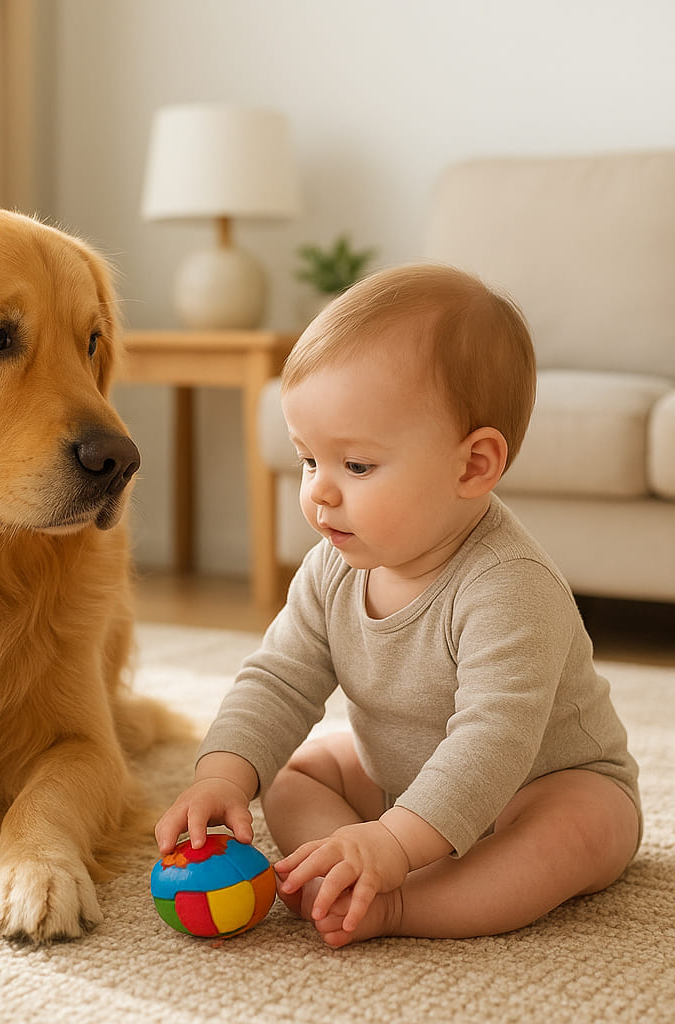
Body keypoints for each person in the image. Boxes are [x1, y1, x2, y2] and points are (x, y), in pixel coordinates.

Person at [155, 264, 641, 948]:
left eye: (355, 466)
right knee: (297, 773)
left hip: (533, 787)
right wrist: (221, 775)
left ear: (473, 466)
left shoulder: (509, 585)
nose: (321, 493)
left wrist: (394, 840)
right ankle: (343, 870)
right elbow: (278, 678)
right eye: (307, 460)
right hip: (399, 779)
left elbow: (492, 742)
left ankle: (401, 905)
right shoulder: (332, 568)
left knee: (578, 829)